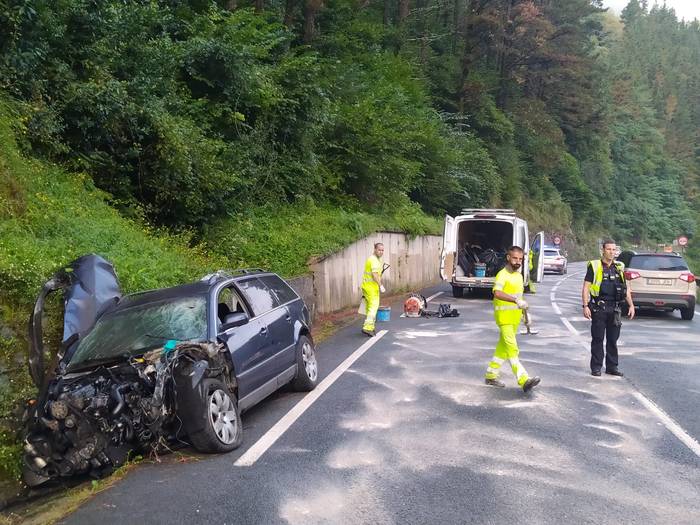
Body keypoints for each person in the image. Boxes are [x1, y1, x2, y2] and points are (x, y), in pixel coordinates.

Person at [485, 246, 541, 392]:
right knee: (512, 349)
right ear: (508, 258)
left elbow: (520, 298)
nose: (518, 261)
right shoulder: (502, 275)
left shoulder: (519, 276)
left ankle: (491, 375)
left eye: (520, 259)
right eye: (515, 258)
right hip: (504, 319)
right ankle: (523, 379)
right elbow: (497, 293)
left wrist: (525, 315)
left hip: (515, 318)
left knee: (502, 349)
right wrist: (515, 301)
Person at [582, 240, 635, 377]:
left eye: (614, 249)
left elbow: (626, 289)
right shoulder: (594, 266)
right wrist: (585, 305)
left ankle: (612, 367)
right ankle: (596, 367)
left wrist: (631, 305)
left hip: (615, 309)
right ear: (603, 250)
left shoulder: (619, 267)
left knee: (613, 339)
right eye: (609, 249)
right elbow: (586, 287)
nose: (612, 252)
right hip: (599, 307)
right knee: (598, 339)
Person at [361, 242, 386, 337]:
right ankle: (367, 328)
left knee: (369, 307)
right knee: (373, 307)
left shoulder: (373, 259)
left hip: (367, 286)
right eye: (379, 250)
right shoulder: (374, 260)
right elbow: (374, 275)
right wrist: (381, 285)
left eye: (382, 250)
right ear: (375, 249)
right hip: (371, 288)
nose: (381, 252)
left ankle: (370, 326)